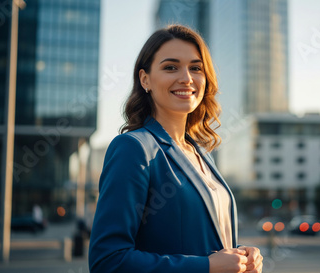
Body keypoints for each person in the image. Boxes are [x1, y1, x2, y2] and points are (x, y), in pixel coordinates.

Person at [88, 25, 263, 273]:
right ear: (145, 79)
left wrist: (241, 256)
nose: (187, 78)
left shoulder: (201, 154)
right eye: (171, 67)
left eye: (195, 68)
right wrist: (206, 266)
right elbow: (108, 261)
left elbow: (200, 240)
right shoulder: (133, 148)